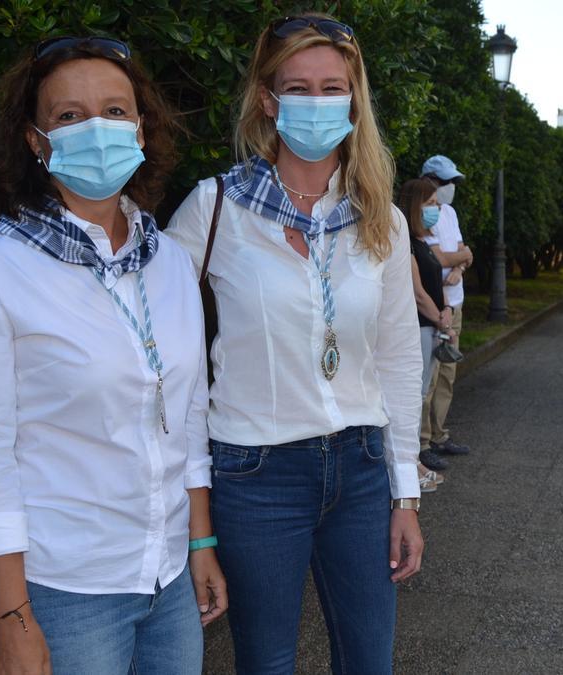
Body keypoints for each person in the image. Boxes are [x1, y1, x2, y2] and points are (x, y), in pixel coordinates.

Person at [0, 36, 226, 674]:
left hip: (168, 580)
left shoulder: (171, 263)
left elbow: (188, 417)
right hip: (59, 593)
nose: (96, 128)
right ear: (36, 141)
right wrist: (10, 620)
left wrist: (199, 544)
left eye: (116, 111)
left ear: (142, 130)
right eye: (69, 116)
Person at [165, 14, 424, 674]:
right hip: (256, 473)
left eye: (332, 88)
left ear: (354, 98)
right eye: (298, 88)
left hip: (362, 466)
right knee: (266, 662)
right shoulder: (214, 207)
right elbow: (155, 340)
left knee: (370, 660)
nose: (316, 103)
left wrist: (406, 493)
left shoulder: (382, 218)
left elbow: (397, 355)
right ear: (267, 100)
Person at [398, 177, 455, 493]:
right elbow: (417, 293)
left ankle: (412, 459)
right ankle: (411, 461)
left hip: (432, 326)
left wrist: (444, 313)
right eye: (430, 204)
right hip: (419, 326)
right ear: (414, 206)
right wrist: (441, 319)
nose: (436, 210)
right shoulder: (405, 242)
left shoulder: (423, 241)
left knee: (421, 392)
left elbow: (436, 286)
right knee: (413, 395)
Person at [418, 154, 473, 471]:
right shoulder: (425, 214)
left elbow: (465, 253)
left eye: (452, 182)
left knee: (447, 374)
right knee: (429, 375)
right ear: (429, 181)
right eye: (445, 182)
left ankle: (439, 435)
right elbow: (437, 258)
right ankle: (423, 442)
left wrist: (461, 264)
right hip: (436, 304)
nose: (450, 188)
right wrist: (459, 259)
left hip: (456, 301)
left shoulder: (449, 212)